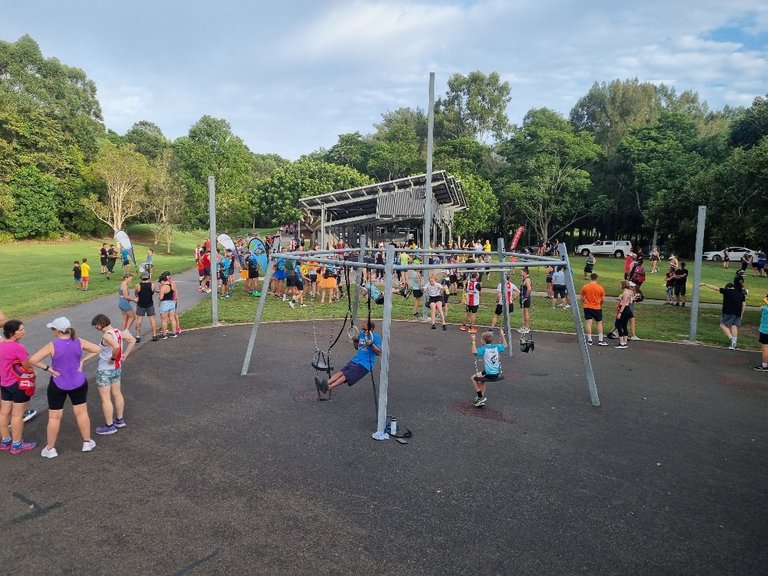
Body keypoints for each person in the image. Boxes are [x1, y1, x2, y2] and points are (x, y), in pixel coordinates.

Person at [28, 317, 101, 458]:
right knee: (81, 412)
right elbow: (97, 349)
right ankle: (87, 442)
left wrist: (48, 369)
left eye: (53, 329)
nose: (52, 331)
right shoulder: (78, 341)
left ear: (57, 331)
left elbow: (33, 360)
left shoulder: (52, 345)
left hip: (58, 383)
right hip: (78, 381)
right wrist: (82, 361)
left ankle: (50, 449)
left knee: (54, 417)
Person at [90, 314, 136, 435]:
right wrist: (124, 354)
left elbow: (115, 346)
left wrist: (113, 358)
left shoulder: (106, 335)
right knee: (117, 393)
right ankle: (119, 420)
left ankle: (109, 425)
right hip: (116, 369)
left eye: (96, 326)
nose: (96, 329)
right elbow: (132, 340)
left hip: (105, 369)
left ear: (100, 324)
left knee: (106, 398)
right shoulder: (118, 332)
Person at [0, 320, 40, 454]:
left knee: (4, 412)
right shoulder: (18, 347)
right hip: (18, 384)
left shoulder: (1, 345)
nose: (24, 331)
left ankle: (5, 441)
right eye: (20, 330)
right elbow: (26, 365)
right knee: (17, 414)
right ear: (12, 333)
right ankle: (17, 444)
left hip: (4, 383)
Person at [321, 320, 382, 392]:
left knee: (346, 376)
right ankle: (325, 384)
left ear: (371, 329)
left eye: (365, 329)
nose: (363, 331)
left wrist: (372, 344)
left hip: (365, 364)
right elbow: (356, 347)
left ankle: (329, 387)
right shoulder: (362, 334)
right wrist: (355, 340)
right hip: (356, 360)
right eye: (362, 329)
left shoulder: (376, 337)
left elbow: (378, 352)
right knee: (341, 372)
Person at [701, 282, 746, 349]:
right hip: (738, 312)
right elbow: (744, 304)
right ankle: (734, 343)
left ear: (727, 287)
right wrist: (741, 314)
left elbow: (716, 288)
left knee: (722, 325)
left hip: (728, 311)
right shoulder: (741, 293)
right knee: (734, 326)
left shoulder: (726, 291)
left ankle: (731, 339)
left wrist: (705, 284)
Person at [470, 329, 507, 407]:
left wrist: (473, 341)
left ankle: (480, 396)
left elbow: (474, 352)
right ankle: (480, 399)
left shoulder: (484, 349)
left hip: (488, 373)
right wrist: (502, 335)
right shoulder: (497, 347)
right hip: (496, 373)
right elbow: (505, 345)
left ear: (483, 341)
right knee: (482, 380)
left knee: (473, 378)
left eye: (481, 339)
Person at [580, 273, 609, 346]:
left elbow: (581, 296)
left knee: (588, 322)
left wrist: (585, 302)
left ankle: (589, 340)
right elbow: (602, 299)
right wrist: (599, 304)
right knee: (599, 323)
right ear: (597, 278)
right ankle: (600, 340)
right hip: (596, 307)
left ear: (590, 278)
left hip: (587, 306)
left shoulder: (585, 287)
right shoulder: (600, 288)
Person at [134, 271, 159, 342]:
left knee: (139, 321)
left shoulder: (137, 285)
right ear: (148, 277)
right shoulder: (152, 285)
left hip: (140, 304)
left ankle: (138, 336)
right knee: (152, 320)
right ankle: (154, 335)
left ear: (141, 277)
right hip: (150, 304)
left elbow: (136, 294)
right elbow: (153, 292)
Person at [613, 280, 635, 349]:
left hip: (624, 309)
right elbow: (631, 301)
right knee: (624, 325)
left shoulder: (625, 292)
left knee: (618, 324)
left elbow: (624, 303)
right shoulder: (630, 292)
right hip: (628, 309)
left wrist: (620, 312)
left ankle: (621, 342)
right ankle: (625, 342)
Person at [157, 272, 179, 338]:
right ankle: (174, 333)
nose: (160, 283)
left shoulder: (163, 288)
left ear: (163, 281)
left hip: (165, 304)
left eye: (160, 282)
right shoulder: (171, 285)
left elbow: (161, 298)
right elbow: (174, 292)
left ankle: (164, 334)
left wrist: (159, 294)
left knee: (164, 320)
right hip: (171, 303)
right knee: (172, 319)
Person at [755, 294, 768, 372]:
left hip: (765, 331)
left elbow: (761, 308)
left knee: (765, 348)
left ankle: (765, 365)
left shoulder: (764, 308)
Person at [518, 267, 533, 333]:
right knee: (524, 312)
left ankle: (527, 328)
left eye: (521, 272)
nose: (520, 273)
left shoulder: (527, 280)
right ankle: (525, 326)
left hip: (525, 298)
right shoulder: (524, 279)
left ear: (525, 272)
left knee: (526, 311)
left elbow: (529, 289)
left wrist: (526, 297)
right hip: (523, 297)